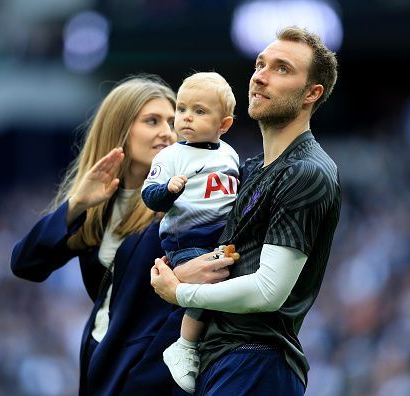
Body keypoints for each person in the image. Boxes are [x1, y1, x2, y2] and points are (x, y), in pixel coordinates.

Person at [150, 26, 341, 396]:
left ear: (311, 94)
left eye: (282, 69)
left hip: (257, 360)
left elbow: (268, 291)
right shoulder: (250, 168)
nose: (260, 77)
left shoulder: (307, 171)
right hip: (222, 360)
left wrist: (181, 292)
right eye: (259, 64)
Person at [10, 75, 228, 396]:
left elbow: (204, 290)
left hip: (150, 376)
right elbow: (26, 264)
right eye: (152, 121)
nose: (167, 132)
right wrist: (77, 204)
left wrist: (146, 375)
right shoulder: (99, 204)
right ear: (120, 130)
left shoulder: (188, 197)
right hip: (101, 360)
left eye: (171, 121)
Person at [141, 72, 239, 393]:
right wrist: (168, 190)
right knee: (211, 278)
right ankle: (184, 345)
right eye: (182, 109)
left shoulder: (229, 154)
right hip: (187, 240)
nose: (186, 117)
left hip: (222, 239)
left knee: (229, 276)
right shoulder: (170, 155)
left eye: (199, 111)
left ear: (223, 125)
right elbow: (149, 195)